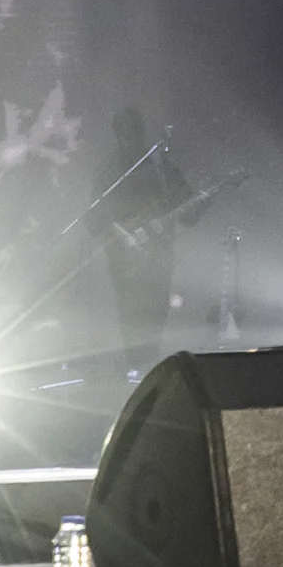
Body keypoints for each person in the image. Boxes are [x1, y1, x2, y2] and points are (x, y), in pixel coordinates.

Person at [90, 107, 191, 377]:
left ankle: (150, 369)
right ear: (117, 134)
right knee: (130, 311)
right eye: (125, 131)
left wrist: (200, 199)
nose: (131, 136)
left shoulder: (160, 166)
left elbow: (186, 203)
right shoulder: (109, 168)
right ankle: (135, 368)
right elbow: (96, 214)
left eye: (135, 129)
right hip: (124, 255)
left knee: (156, 311)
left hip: (159, 253)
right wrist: (125, 233)